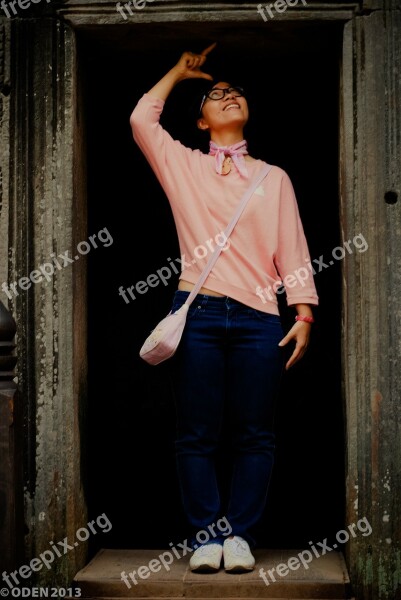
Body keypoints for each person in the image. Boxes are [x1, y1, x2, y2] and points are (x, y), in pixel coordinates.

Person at [130, 43, 319, 574]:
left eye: (235, 92)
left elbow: (293, 246)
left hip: (261, 318)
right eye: (215, 95)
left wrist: (303, 312)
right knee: (197, 432)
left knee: (255, 432)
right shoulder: (183, 166)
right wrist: (179, 71)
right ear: (200, 121)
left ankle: (240, 535)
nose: (228, 95)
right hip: (201, 314)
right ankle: (205, 536)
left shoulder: (273, 176)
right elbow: (141, 120)